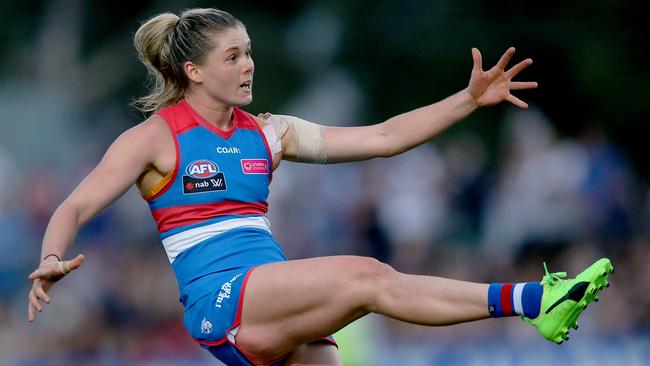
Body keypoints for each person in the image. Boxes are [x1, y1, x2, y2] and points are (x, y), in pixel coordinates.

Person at [27, 8, 613, 366]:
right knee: (368, 277)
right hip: (222, 300)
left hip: (273, 303)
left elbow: (384, 136)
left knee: (367, 289)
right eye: (233, 56)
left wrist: (467, 100)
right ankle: (535, 302)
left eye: (250, 52)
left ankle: (537, 305)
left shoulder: (273, 133)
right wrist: (52, 256)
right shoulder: (155, 138)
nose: (249, 65)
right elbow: (76, 203)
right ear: (194, 72)